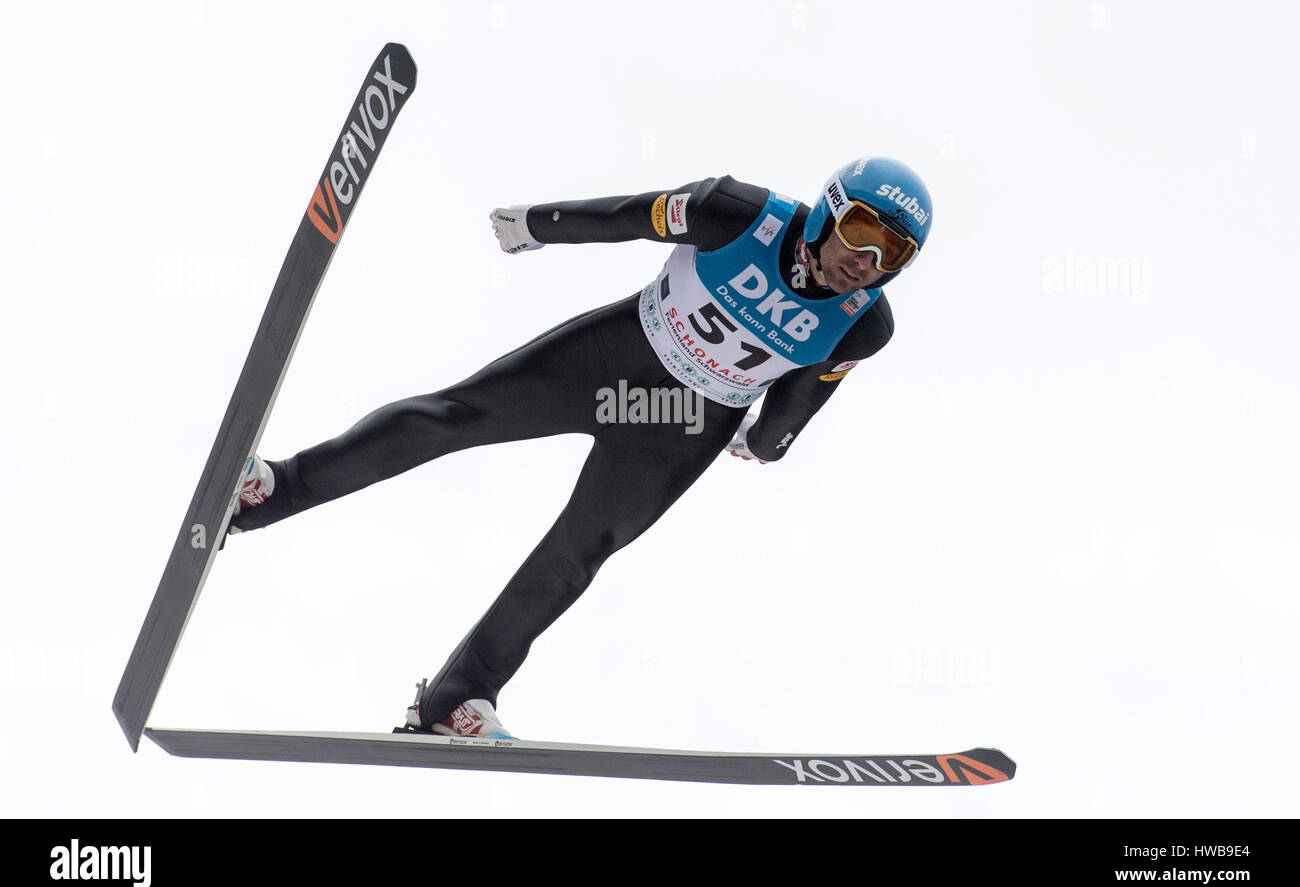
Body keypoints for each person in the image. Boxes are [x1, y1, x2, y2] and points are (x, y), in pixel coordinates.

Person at [229, 156, 933, 739]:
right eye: (862, 230)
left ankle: (457, 697)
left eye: (890, 252)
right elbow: (632, 214)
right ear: (828, 208)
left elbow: (802, 396)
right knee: (453, 417)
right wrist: (538, 225)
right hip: (613, 359)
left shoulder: (862, 324)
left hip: (681, 423)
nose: (866, 260)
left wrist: (768, 443)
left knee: (575, 554)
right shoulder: (738, 212)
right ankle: (274, 488)